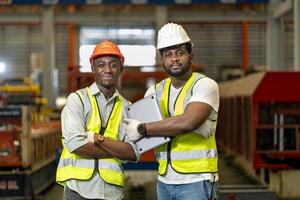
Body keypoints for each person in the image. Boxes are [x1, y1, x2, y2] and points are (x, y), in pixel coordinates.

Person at [123, 23, 219, 200]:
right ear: (162, 60)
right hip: (164, 179)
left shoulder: (205, 85)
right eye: (168, 54)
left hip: (197, 179)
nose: (174, 59)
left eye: (180, 53)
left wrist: (143, 128)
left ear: (191, 55)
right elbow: (147, 138)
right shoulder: (154, 92)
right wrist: (188, 124)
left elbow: (186, 123)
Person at [56, 41, 140, 200]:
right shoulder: (78, 100)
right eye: (101, 64)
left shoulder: (127, 107)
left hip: (111, 192)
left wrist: (96, 138)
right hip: (78, 191)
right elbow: (75, 144)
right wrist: (117, 150)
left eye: (113, 65)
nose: (107, 70)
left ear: (121, 67)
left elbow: (133, 153)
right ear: (93, 67)